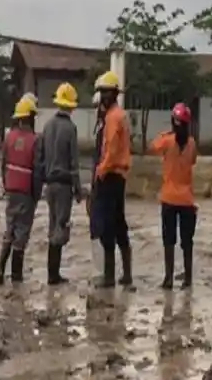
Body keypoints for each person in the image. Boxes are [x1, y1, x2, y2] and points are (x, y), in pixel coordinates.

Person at [36, 82, 84, 285]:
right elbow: (74, 163)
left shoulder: (47, 126)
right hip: (64, 185)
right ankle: (53, 275)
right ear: (71, 105)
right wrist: (78, 189)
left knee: (52, 225)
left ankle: (51, 273)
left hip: (50, 185)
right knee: (61, 227)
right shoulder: (70, 129)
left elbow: (40, 157)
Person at [0, 97, 43, 285]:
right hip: (26, 191)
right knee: (21, 233)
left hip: (11, 190)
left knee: (10, 229)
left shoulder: (9, 137)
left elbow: (3, 164)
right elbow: (37, 171)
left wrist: (6, 184)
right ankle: (16, 276)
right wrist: (36, 195)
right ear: (30, 117)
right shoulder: (35, 140)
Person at [151, 103, 198, 290]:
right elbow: (193, 160)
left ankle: (168, 278)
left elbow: (152, 146)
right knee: (187, 241)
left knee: (168, 240)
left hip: (169, 198)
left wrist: (164, 134)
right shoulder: (192, 143)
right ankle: (187, 279)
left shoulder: (167, 141)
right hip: (186, 199)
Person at [93, 71, 133, 288]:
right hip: (119, 176)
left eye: (103, 93)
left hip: (110, 176)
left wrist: (101, 170)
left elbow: (110, 149)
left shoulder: (113, 118)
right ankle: (126, 274)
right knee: (119, 224)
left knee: (108, 226)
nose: (101, 97)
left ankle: (109, 277)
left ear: (111, 94)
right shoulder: (121, 115)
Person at [87, 91, 105, 277]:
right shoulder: (101, 128)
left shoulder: (105, 129)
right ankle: (100, 269)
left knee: (99, 227)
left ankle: (102, 271)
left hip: (103, 185)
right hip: (98, 184)